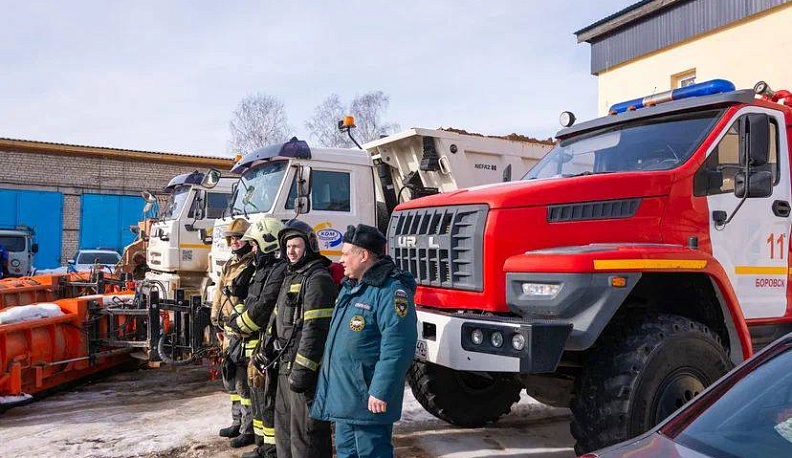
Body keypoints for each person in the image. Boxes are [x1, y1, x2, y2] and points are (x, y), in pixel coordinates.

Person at [311, 224, 418, 458]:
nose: (341, 260)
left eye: (346, 253)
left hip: (367, 400)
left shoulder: (390, 291)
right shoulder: (353, 288)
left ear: (364, 255)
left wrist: (380, 390)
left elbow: (398, 344)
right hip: (346, 399)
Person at [270, 219, 337, 458]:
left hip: (304, 372)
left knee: (306, 435)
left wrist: (303, 370)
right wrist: (265, 350)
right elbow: (276, 317)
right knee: (285, 431)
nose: (291, 251)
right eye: (288, 247)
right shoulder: (291, 276)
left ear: (309, 246)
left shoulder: (317, 279)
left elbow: (315, 330)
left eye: (296, 246)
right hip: (285, 367)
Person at [224, 217, 288, 458]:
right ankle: (262, 446)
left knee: (267, 401)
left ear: (268, 243)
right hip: (254, 347)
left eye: (255, 244)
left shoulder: (277, 270)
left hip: (265, 348)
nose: (252, 249)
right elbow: (250, 300)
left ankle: (270, 450)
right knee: (258, 400)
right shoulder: (262, 268)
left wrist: (239, 322)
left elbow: (262, 309)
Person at [211, 218, 257, 448]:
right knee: (230, 381)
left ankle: (248, 429)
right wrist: (215, 322)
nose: (235, 241)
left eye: (239, 237)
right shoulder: (230, 263)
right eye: (232, 237)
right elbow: (219, 294)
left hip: (242, 332)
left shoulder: (252, 265)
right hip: (227, 331)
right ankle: (237, 422)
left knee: (243, 382)